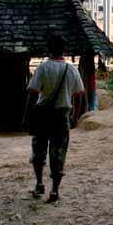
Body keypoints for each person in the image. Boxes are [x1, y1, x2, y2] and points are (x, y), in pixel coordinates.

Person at [23, 34, 85, 203]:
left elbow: (33, 94)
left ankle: (39, 183)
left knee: (38, 151)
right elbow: (79, 95)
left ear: (48, 49)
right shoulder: (71, 69)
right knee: (58, 152)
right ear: (64, 50)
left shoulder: (43, 68)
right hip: (61, 116)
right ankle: (55, 191)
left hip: (42, 115)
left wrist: (27, 116)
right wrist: (74, 116)